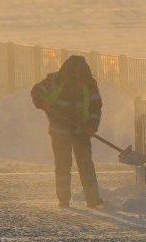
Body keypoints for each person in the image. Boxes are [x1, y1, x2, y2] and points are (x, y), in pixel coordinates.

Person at [31, 55, 104, 208]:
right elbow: (36, 91)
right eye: (74, 73)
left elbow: (95, 107)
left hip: (81, 131)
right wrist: (43, 103)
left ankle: (92, 199)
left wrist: (92, 125)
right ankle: (63, 199)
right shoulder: (55, 82)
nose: (77, 76)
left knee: (86, 165)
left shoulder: (89, 85)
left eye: (80, 73)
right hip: (59, 131)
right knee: (63, 165)